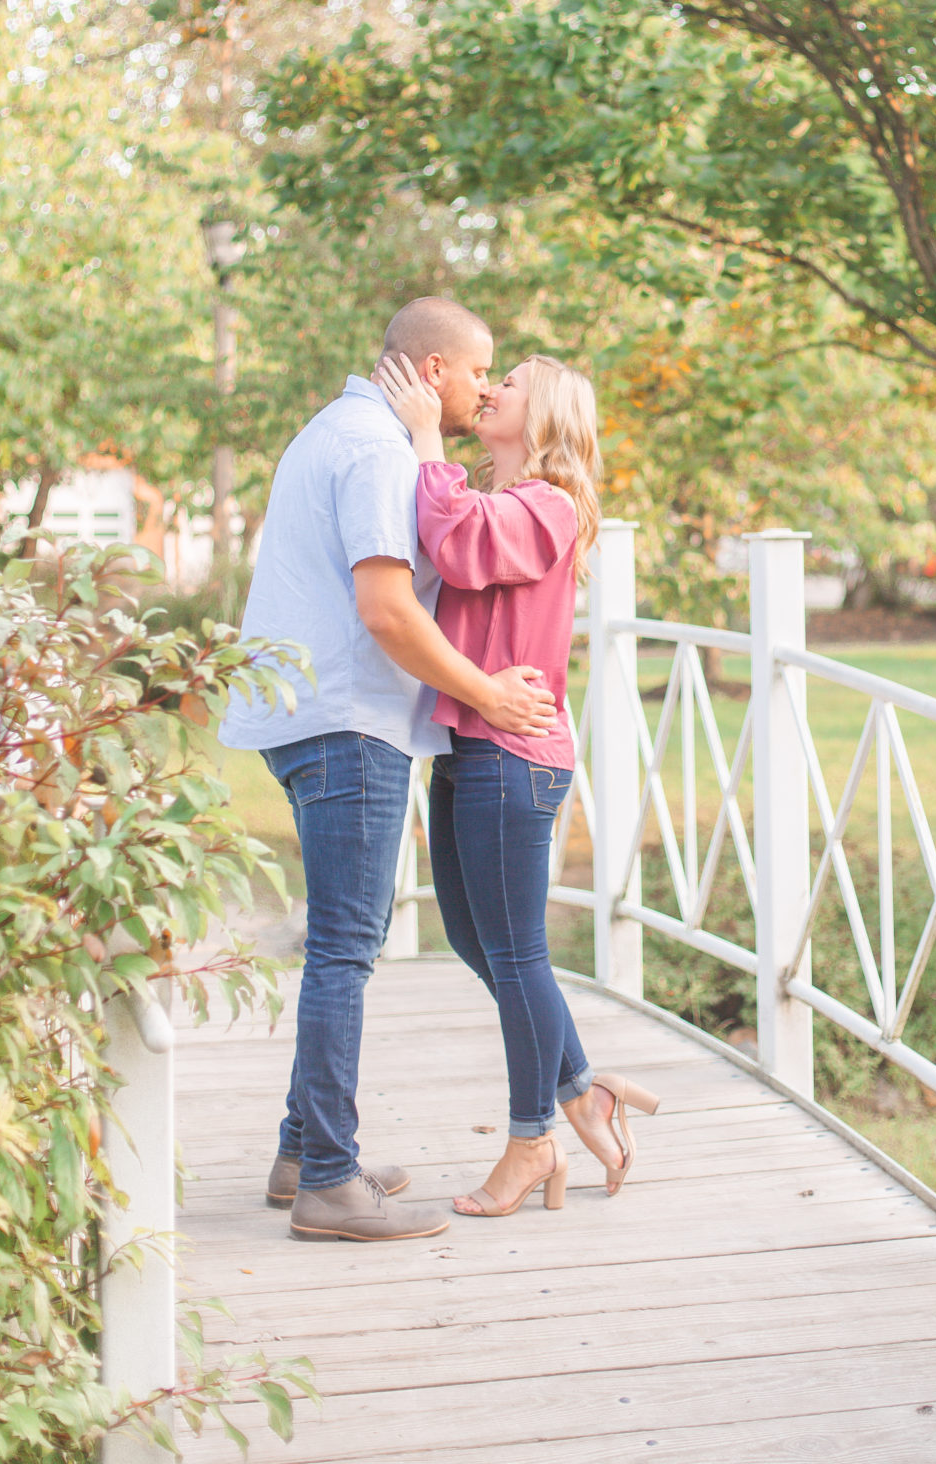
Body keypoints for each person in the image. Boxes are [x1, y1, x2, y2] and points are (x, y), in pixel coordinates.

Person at [221, 296, 558, 1243]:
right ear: (435, 370)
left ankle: (302, 1152)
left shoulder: (343, 429)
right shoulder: (373, 449)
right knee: (345, 948)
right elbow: (388, 609)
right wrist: (488, 696)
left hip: (316, 716)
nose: (488, 386)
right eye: (480, 368)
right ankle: (329, 1180)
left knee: (341, 941)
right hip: (346, 719)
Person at [373, 347, 659, 1218]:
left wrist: (427, 443)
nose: (490, 389)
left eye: (511, 385)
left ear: (543, 421)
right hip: (471, 745)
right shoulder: (504, 499)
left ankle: (534, 1139)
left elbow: (456, 550)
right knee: (474, 939)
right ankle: (584, 1089)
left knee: (517, 952)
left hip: (515, 758)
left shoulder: (550, 506)